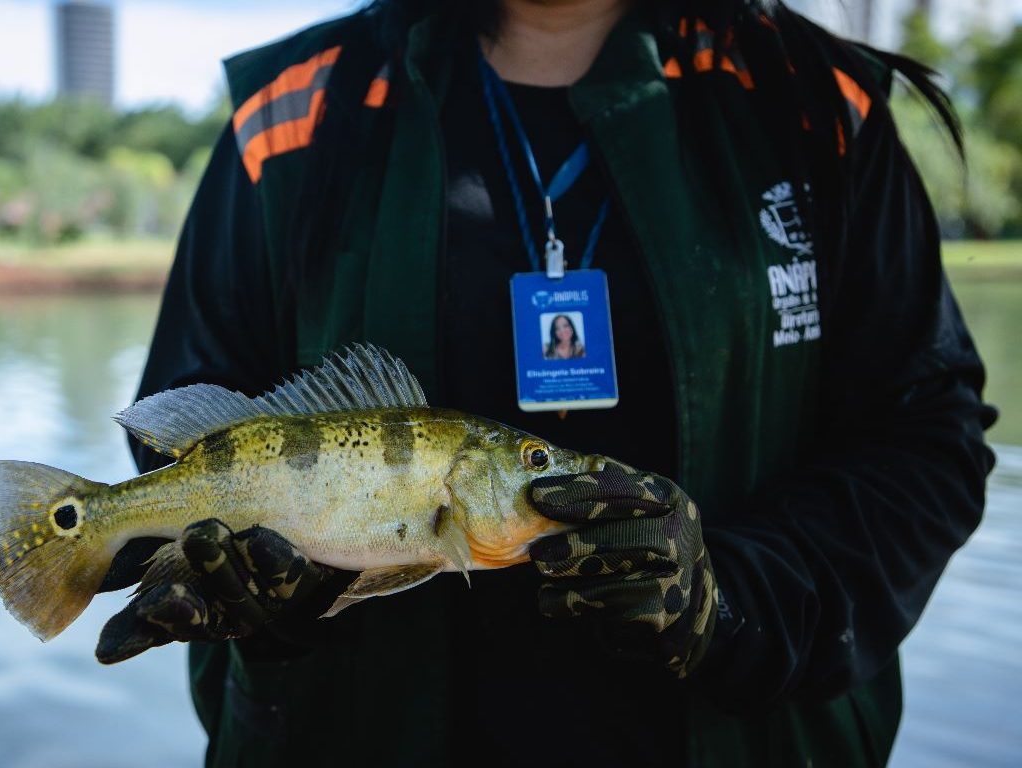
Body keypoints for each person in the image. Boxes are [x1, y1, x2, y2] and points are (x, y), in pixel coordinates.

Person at [97, 0, 997, 765]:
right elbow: (183, 427)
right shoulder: (290, 117)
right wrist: (254, 595)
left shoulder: (815, 105)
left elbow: (928, 436)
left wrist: (739, 599)